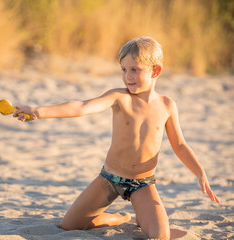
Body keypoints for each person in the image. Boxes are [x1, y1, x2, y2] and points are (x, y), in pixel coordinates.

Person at [13, 36, 220, 239]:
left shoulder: (167, 105)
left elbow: (180, 145)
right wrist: (39, 111)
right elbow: (82, 106)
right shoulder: (120, 98)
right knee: (69, 226)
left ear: (155, 70)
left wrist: (199, 172)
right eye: (123, 70)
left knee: (160, 236)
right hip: (109, 179)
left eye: (134, 70)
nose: (127, 76)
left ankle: (143, 214)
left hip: (142, 183)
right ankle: (118, 218)